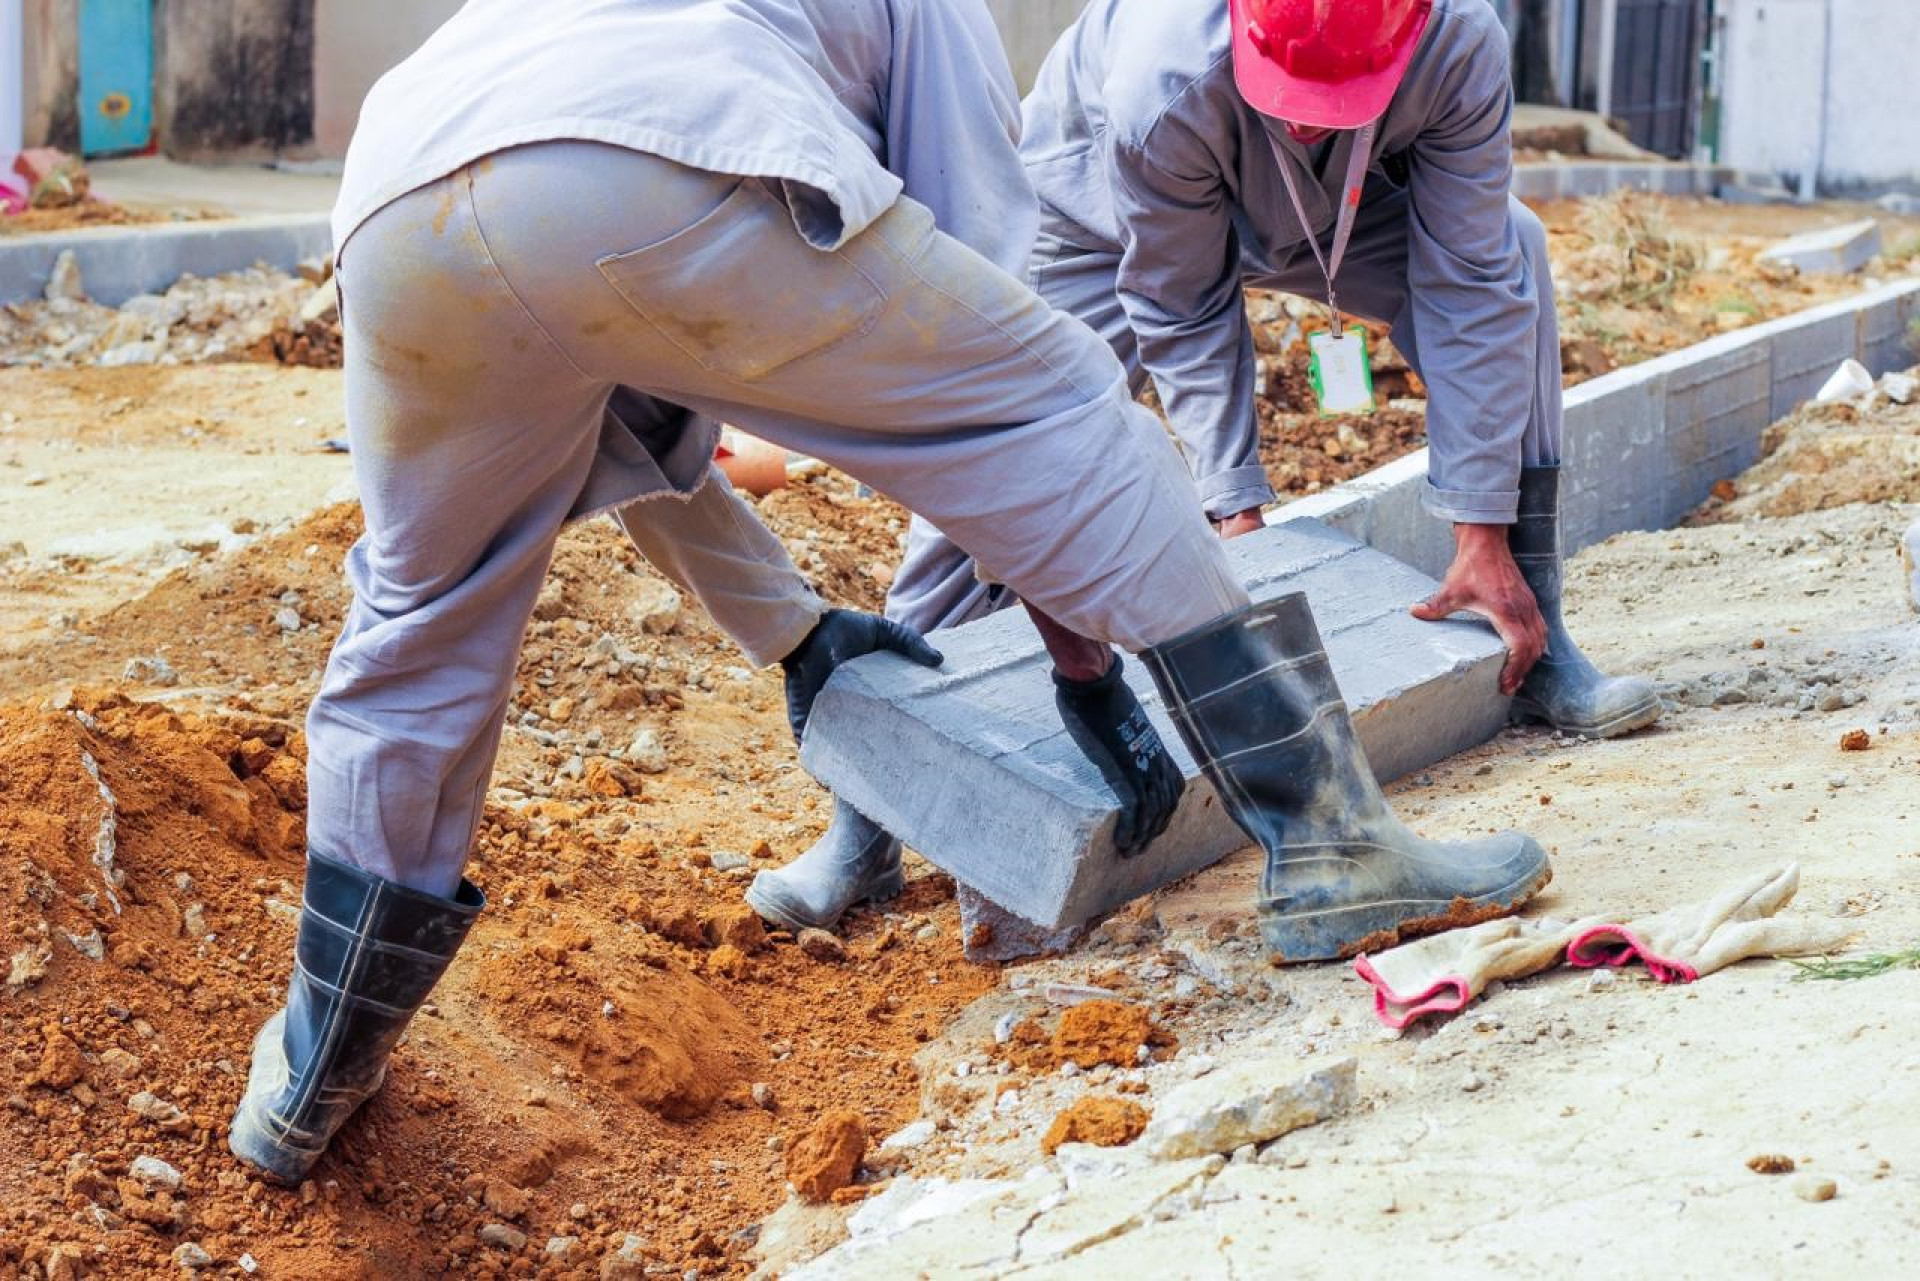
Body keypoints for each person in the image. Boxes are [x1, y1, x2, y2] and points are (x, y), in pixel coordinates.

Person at [228, 0, 1548, 1186]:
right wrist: (1081, 666)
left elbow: (632, 432)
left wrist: (796, 637)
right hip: (670, 150)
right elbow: (1004, 375)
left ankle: (310, 1075)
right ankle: (1331, 844)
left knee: (421, 621)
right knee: (1075, 402)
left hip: (402, 203)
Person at [752, 0, 1655, 935]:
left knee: (1518, 252)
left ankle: (1536, 629)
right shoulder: (1164, 71)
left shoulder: (1460, 44)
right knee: (990, 441)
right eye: (1292, 99)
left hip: (1336, 206)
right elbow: (1182, 306)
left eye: (1330, 99)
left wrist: (1481, 528)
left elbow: (1467, 275)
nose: (1303, 117)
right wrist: (1237, 515)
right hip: (1097, 216)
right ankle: (864, 825)